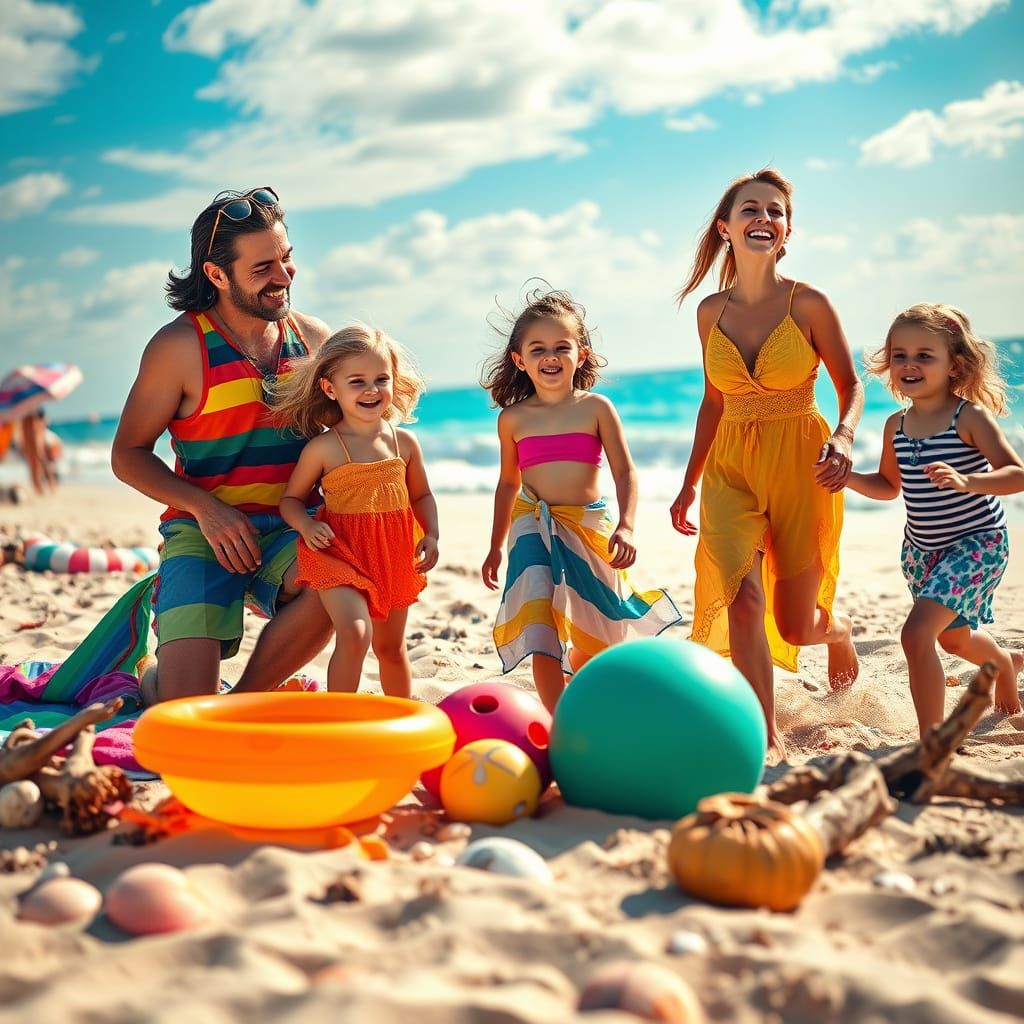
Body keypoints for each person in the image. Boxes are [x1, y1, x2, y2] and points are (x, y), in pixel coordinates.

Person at [111, 186, 333, 704]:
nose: (283, 277)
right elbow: (128, 453)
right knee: (180, 707)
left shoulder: (315, 341)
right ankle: (152, 675)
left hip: (290, 526)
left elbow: (351, 437)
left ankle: (242, 704)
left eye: (287, 258)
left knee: (340, 577)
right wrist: (205, 509)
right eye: (263, 269)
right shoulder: (178, 347)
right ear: (216, 274)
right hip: (204, 531)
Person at [669, 168, 864, 757]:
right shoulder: (709, 312)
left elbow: (851, 384)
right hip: (731, 466)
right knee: (743, 596)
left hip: (802, 463)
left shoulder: (809, 302)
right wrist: (687, 484)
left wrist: (847, 437)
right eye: (750, 209)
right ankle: (764, 729)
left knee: (796, 625)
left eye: (775, 212)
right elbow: (712, 403)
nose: (763, 218)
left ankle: (841, 632)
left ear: (786, 232)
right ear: (725, 228)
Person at [481, 287, 681, 712]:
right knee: (540, 628)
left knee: (603, 629)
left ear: (581, 354)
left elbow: (625, 471)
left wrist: (626, 525)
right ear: (520, 360)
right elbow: (506, 484)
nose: (550, 356)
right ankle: (560, 723)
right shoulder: (512, 419)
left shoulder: (596, 408)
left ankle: (587, 682)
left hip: (589, 525)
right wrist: (497, 546)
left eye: (561, 347)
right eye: (538, 349)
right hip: (531, 525)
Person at [846, 304, 1023, 735]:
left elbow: (1016, 474)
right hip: (922, 550)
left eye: (925, 355)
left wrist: (967, 481)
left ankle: (931, 739)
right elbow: (889, 486)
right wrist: (846, 477)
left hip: (976, 545)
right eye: (900, 354)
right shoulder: (896, 425)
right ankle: (1004, 664)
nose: (910, 364)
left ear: (955, 365)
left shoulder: (969, 418)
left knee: (916, 635)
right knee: (953, 639)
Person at [273, 325, 439, 697]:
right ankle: (341, 715)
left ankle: (401, 713)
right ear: (330, 389)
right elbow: (291, 500)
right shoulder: (324, 448)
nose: (371, 390)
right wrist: (304, 525)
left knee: (391, 648)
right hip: (339, 554)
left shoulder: (404, 443)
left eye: (381, 379)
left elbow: (422, 495)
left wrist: (432, 533)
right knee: (355, 632)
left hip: (393, 554)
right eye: (357, 381)